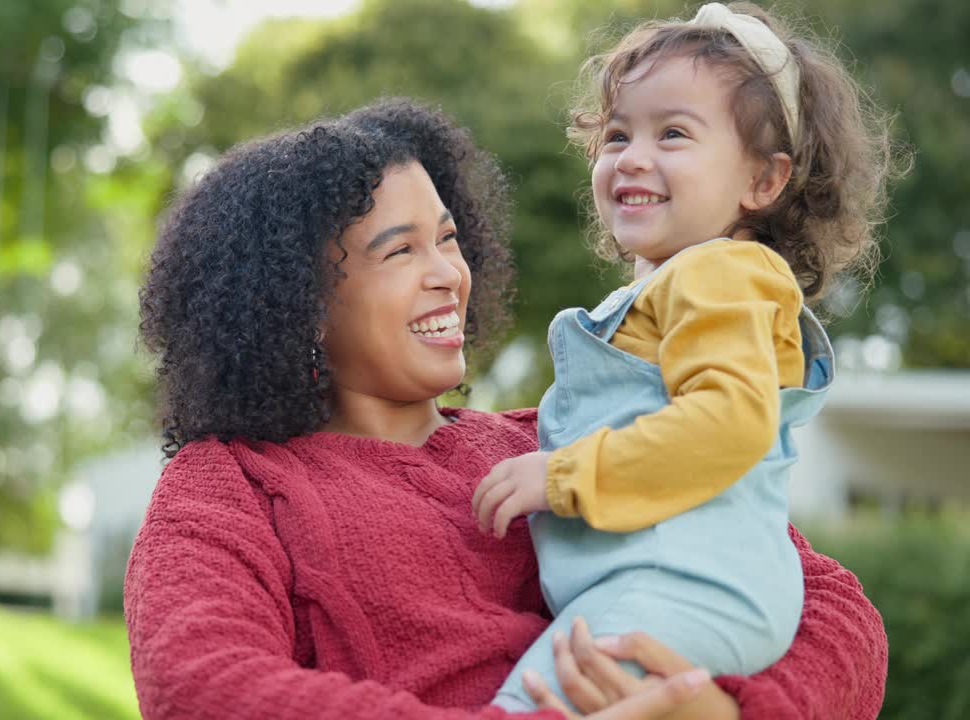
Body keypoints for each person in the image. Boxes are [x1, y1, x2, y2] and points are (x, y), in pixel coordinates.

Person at [126, 97, 887, 720]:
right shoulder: (229, 485)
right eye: (400, 252)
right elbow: (201, 686)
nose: (448, 275)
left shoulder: (555, 440)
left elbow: (835, 609)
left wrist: (721, 712)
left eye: (449, 239)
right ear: (295, 304)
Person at [469, 3, 898, 713]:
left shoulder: (720, 273)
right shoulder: (682, 286)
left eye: (673, 133)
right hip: (660, 589)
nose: (633, 155)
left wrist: (563, 474)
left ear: (763, 182)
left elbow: (730, 422)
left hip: (680, 589)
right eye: (616, 134)